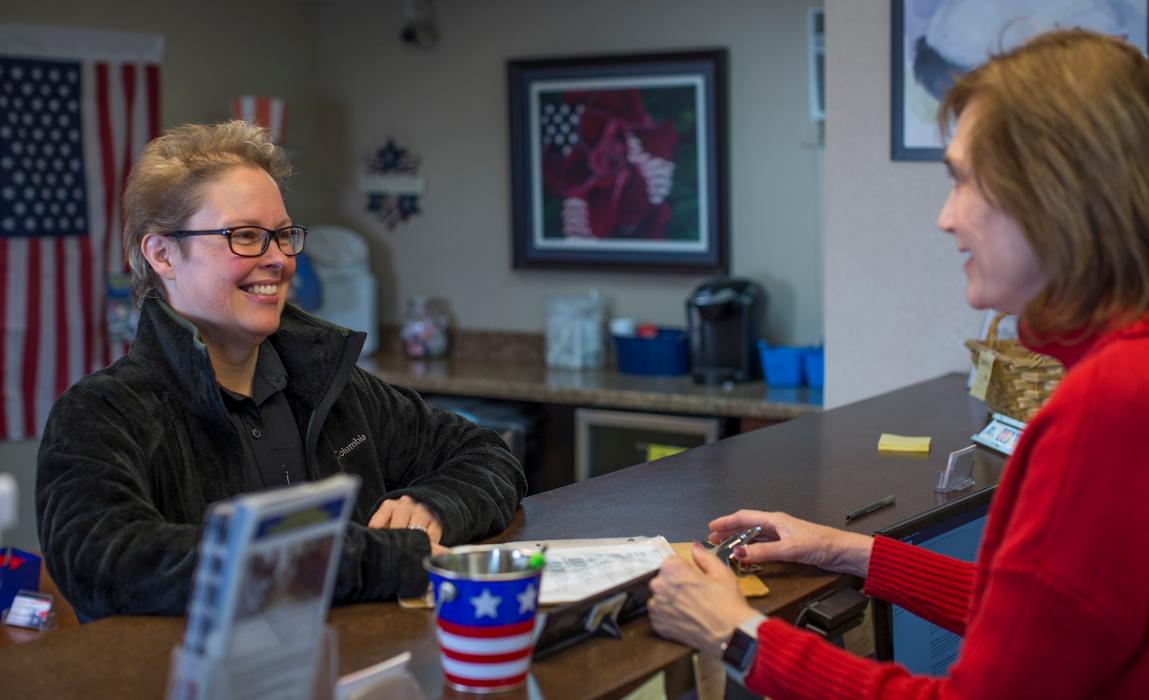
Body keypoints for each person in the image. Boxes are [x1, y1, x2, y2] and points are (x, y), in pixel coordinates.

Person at [649, 29, 1149, 698]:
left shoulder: (1106, 403)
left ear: (1058, 194)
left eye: (964, 181)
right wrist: (841, 549)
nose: (945, 218)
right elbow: (1046, 621)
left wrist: (733, 635)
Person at [36, 121, 527, 621]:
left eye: (283, 235)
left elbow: (488, 456)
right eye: (245, 236)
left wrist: (435, 505)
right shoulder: (101, 414)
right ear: (162, 253)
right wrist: (373, 561)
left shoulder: (332, 387)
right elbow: (111, 562)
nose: (279, 260)